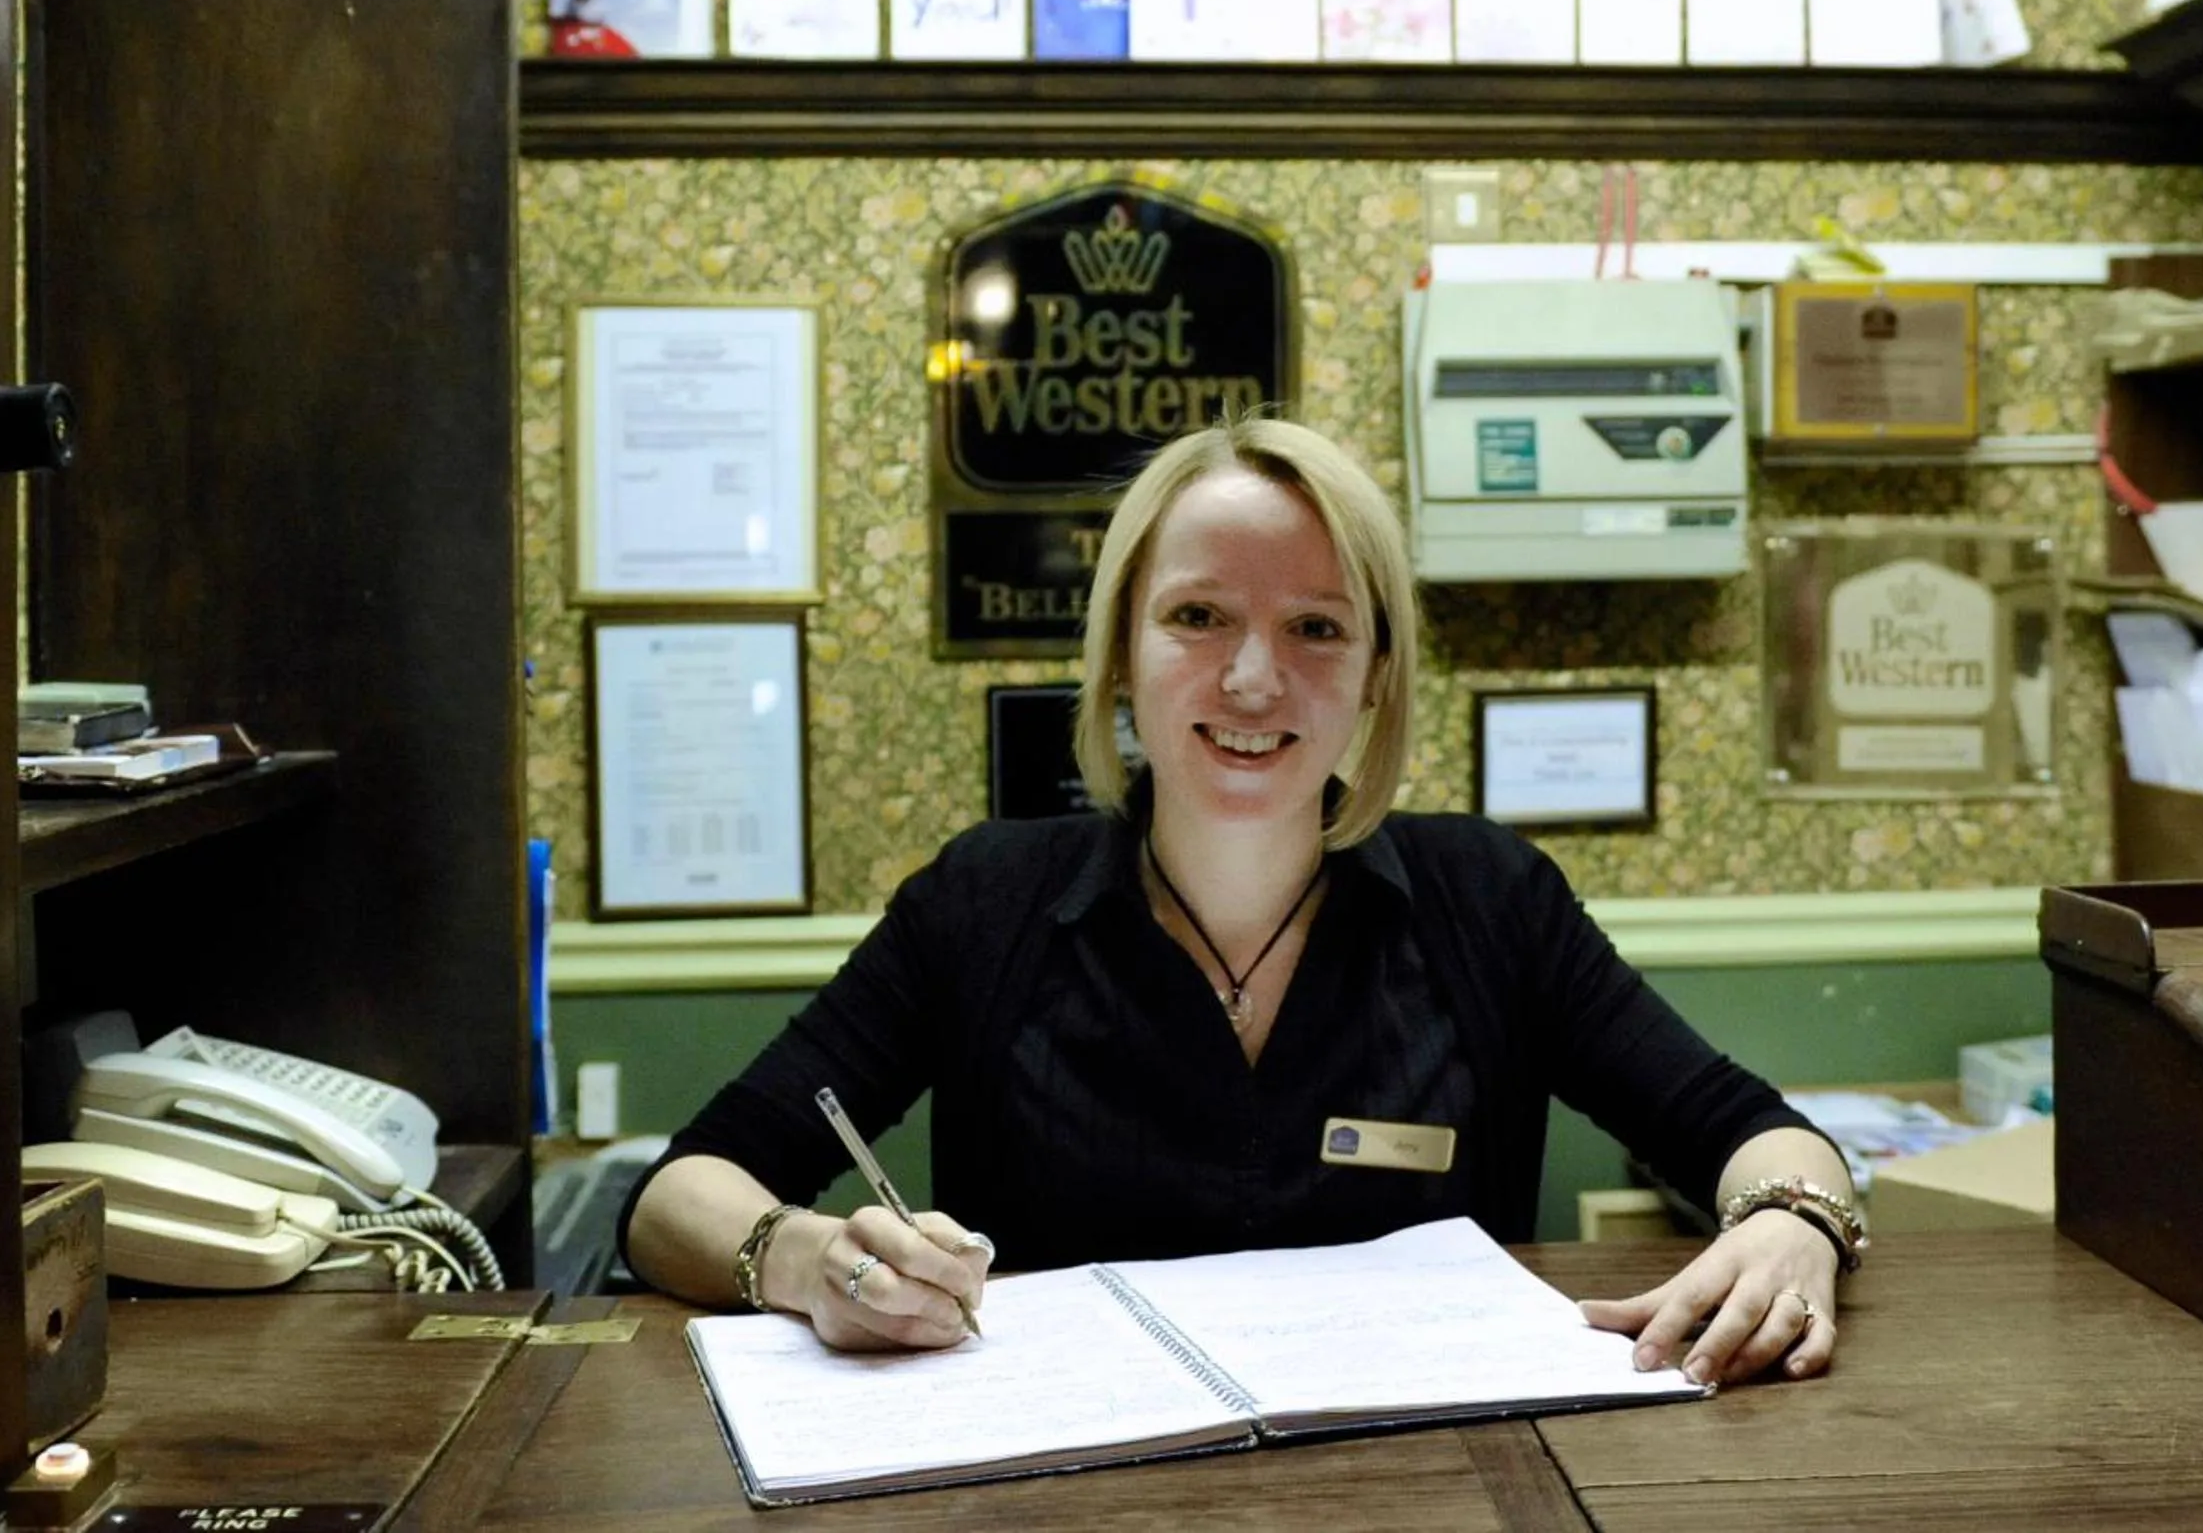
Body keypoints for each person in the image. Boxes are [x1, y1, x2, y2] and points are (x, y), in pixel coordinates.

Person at [620, 417, 1863, 1388]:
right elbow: (679, 1194)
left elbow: (1752, 1131)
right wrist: (805, 1259)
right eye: (1198, 615)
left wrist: (1793, 1224)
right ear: (1119, 649)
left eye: (1316, 625)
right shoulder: (983, 900)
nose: (1254, 676)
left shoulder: (1490, 899)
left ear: (1378, 672)